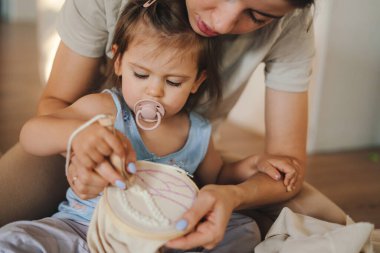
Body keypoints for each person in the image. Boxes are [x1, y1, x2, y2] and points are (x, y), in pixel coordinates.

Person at [0, 0, 347, 250]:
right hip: (83, 226)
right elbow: (35, 128)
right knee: (15, 238)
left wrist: (249, 169)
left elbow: (219, 176)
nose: (154, 90)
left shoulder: (196, 132)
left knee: (249, 229)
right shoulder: (102, 109)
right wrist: (76, 136)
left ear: (197, 82)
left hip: (162, 237)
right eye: (141, 74)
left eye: (256, 15)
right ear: (118, 60)